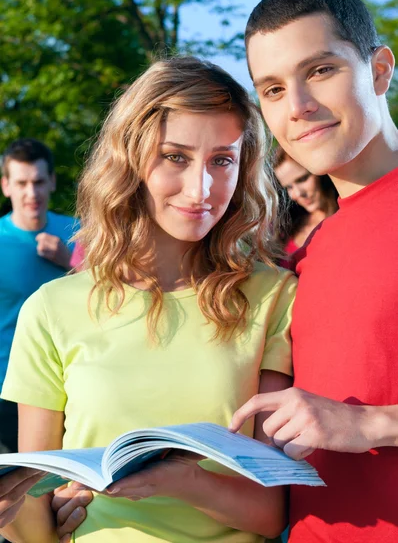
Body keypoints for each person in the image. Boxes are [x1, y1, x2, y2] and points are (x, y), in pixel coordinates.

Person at [0, 57, 296, 543]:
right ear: (130, 158)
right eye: (175, 157)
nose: (200, 189)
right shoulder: (51, 309)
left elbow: (270, 513)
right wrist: (21, 518)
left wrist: (182, 481)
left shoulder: (274, 296)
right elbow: (35, 520)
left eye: (222, 160)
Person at [228, 0, 398, 542]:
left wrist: (369, 422)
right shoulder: (316, 247)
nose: (297, 107)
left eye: (321, 70)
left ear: (379, 70)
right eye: (272, 90)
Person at [0, 138, 79, 454]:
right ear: (6, 186)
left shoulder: (79, 233)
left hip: (69, 386)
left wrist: (70, 262)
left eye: (38, 182)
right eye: (21, 183)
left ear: (51, 182)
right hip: (7, 389)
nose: (30, 193)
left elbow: (115, 294)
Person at [273, 145, 338, 257]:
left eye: (302, 179)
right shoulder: (289, 227)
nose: (297, 194)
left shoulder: (349, 217)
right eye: (289, 187)